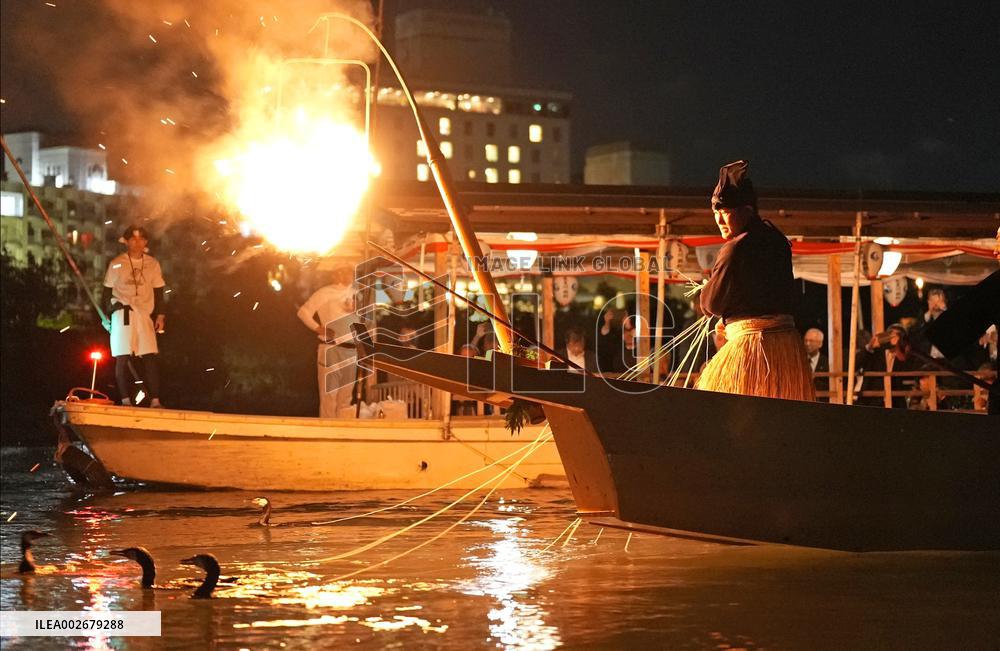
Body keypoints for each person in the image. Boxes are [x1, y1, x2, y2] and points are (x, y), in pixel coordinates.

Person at [696, 160, 814, 401]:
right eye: (716, 213)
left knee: (726, 410)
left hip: (753, 346)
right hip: (787, 350)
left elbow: (712, 304)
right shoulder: (778, 241)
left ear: (746, 210)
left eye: (725, 212)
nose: (719, 220)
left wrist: (707, 290)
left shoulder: (736, 248)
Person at [102, 225, 167, 407]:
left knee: (149, 355)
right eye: (133, 239)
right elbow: (106, 292)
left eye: (141, 239)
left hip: (144, 314)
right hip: (122, 313)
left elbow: (159, 291)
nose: (137, 243)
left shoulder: (153, 264)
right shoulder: (116, 263)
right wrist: (108, 314)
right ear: (126, 241)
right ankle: (125, 401)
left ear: (146, 242)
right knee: (122, 356)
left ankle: (155, 400)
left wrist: (160, 315)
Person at [297, 263, 357, 418]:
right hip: (331, 348)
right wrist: (318, 328)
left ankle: (343, 430)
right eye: (343, 271)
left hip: (351, 350)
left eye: (350, 271)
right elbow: (303, 312)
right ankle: (327, 430)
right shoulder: (324, 293)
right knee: (329, 397)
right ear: (335, 275)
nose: (348, 275)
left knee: (346, 398)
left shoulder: (357, 293)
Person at [803, 328, 829, 397]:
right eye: (805, 340)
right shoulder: (799, 361)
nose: (807, 344)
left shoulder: (827, 363)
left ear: (820, 344)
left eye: (811, 341)